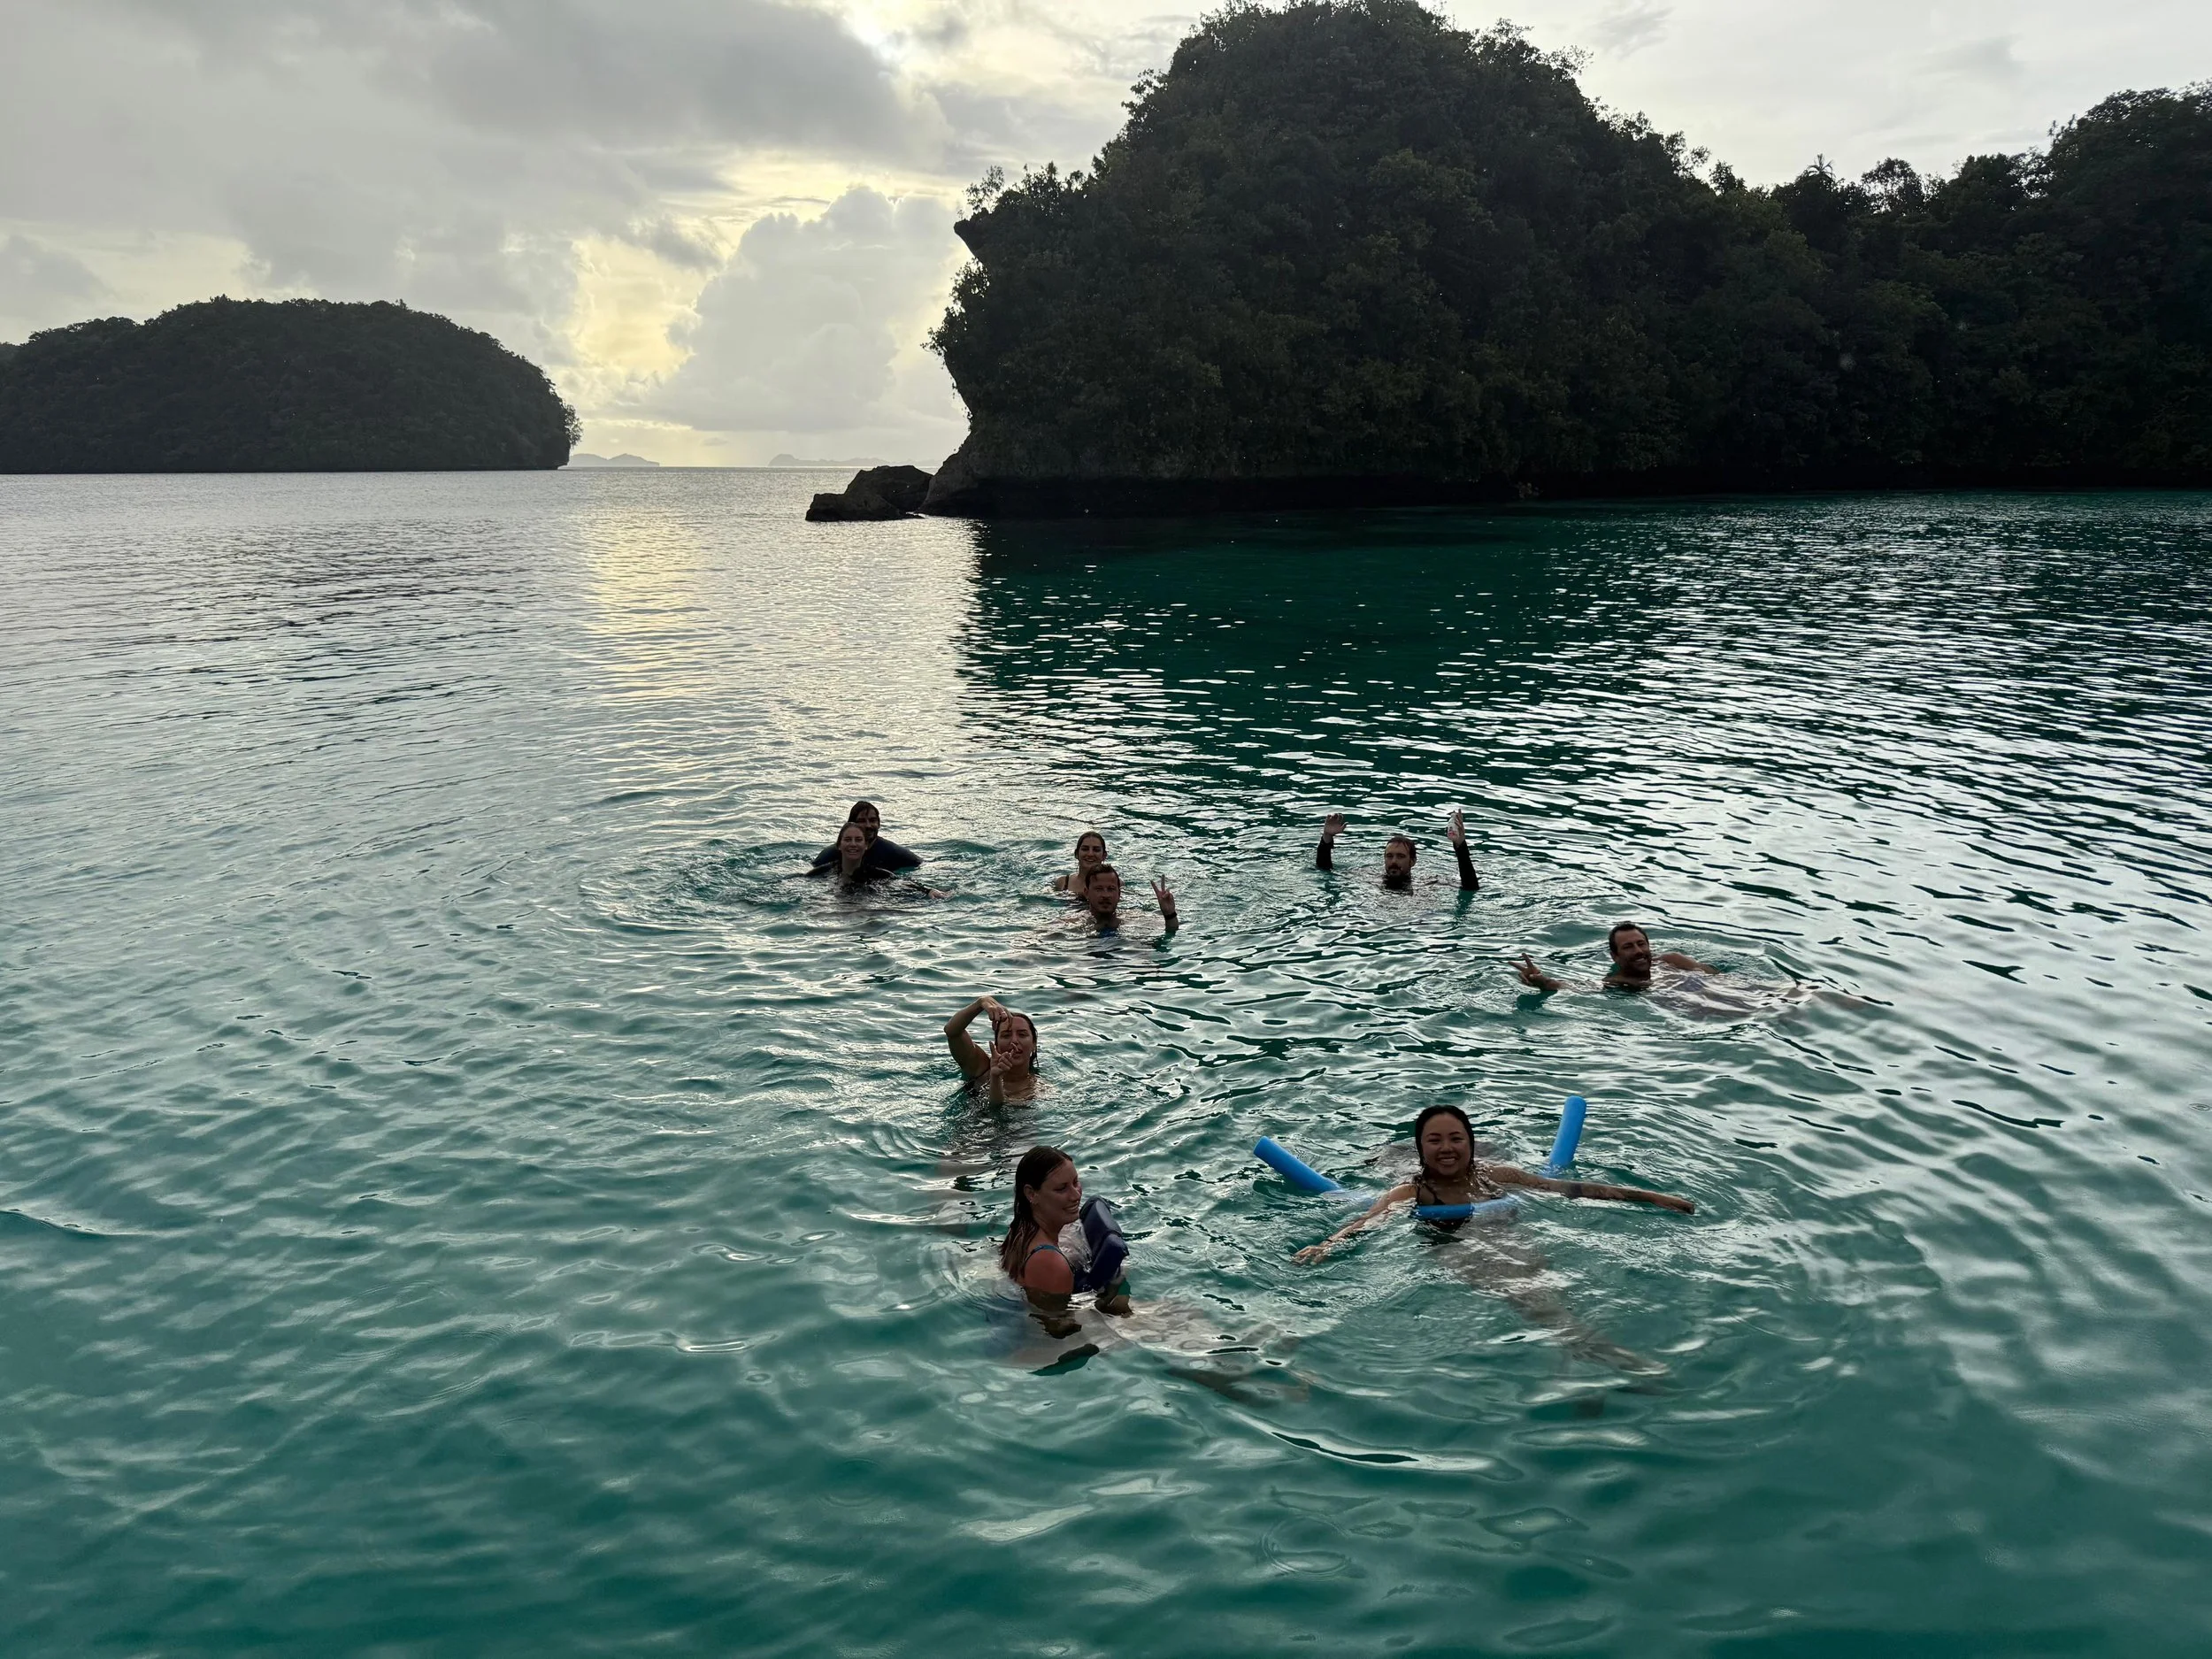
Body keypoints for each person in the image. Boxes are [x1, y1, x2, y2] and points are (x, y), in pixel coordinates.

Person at [1294, 1103, 1692, 1371]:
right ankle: (1589, 1348)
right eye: (1434, 1140)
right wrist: (1328, 1244)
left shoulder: (1498, 1175)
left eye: (1456, 1139)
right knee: (1527, 1292)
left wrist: (1654, 1197)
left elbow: (1573, 1189)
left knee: (1542, 1289)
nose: (1447, 1148)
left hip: (1509, 1236)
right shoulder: (1409, 1193)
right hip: (1456, 1247)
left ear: (1469, 1143)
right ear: (1419, 1149)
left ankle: (1573, 1357)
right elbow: (1367, 1222)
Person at [1002, 1145, 1132, 1334]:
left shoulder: (1021, 1228)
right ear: (1031, 1194)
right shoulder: (1050, 1262)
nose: (1076, 1194)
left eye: (1076, 1182)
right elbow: (1061, 1330)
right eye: (1061, 1189)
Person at [1516, 922, 1717, 994]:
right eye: (1628, 947)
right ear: (1615, 956)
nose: (1638, 951)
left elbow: (1718, 978)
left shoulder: (1672, 960)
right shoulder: (1619, 983)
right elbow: (1579, 987)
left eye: (1641, 944)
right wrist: (1544, 982)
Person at [1316, 810, 1479, 892]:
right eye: (1389, 856)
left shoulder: (1427, 884)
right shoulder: (1367, 877)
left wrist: (1460, 845)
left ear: (1412, 861)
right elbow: (1325, 870)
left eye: (1400, 856)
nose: (1393, 861)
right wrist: (1327, 837)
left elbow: (1470, 886)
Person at [944, 995, 1040, 1104]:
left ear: (1034, 1043)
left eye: (1022, 1035)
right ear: (996, 1044)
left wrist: (996, 1078)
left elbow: (998, 1112)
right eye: (1006, 1035)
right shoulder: (981, 1068)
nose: (1014, 1041)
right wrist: (980, 1003)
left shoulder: (1039, 1089)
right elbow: (952, 1031)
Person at [810, 799, 920, 874]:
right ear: (851, 825)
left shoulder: (896, 853)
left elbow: (920, 868)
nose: (868, 825)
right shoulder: (830, 855)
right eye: (861, 821)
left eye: (872, 820)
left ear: (879, 824)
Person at [1079, 864, 1178, 936]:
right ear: (1086, 893)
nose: (1106, 895)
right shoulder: (1072, 924)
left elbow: (1171, 931)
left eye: (1111, 889)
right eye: (1099, 889)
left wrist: (1169, 914)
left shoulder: (1135, 919)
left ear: (1119, 894)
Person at [1051, 831, 1110, 899]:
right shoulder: (1062, 883)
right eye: (1085, 849)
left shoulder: (1116, 884)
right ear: (1076, 854)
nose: (1090, 854)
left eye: (1096, 850)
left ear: (1104, 856)